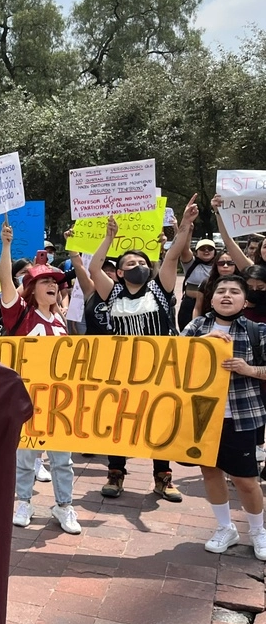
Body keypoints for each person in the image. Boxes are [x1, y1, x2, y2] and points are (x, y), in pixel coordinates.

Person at [89, 196, 196, 503]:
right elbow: (95, 267)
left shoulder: (159, 287)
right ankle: (116, 473)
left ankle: (163, 478)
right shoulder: (111, 292)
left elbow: (174, 257)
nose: (137, 266)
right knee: (119, 420)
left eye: (141, 263)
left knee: (159, 421)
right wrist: (108, 239)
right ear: (119, 272)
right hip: (121, 369)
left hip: (160, 369)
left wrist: (185, 225)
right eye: (129, 264)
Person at [0, 223, 79, 534]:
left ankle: (64, 506)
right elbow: (5, 279)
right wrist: (6, 247)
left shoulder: (60, 318)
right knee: (26, 454)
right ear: (31, 288)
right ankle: (24, 501)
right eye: (44, 281)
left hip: (60, 398)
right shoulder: (19, 314)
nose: (52, 285)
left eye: (55, 281)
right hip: (27, 398)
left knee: (62, 459)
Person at [182, 275, 266, 560]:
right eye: (221, 291)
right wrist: (201, 344)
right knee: (210, 472)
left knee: (245, 479)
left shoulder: (257, 331)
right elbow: (171, 362)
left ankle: (257, 531)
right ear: (212, 297)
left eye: (234, 291)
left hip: (240, 416)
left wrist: (250, 370)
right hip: (202, 416)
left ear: (245, 301)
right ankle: (224, 527)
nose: (226, 296)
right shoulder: (196, 327)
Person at [178, 238, 216, 328]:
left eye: (210, 248)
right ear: (196, 252)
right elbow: (184, 249)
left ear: (215, 252)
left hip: (211, 306)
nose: (206, 250)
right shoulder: (190, 263)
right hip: (190, 305)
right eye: (202, 248)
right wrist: (188, 231)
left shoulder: (220, 265)